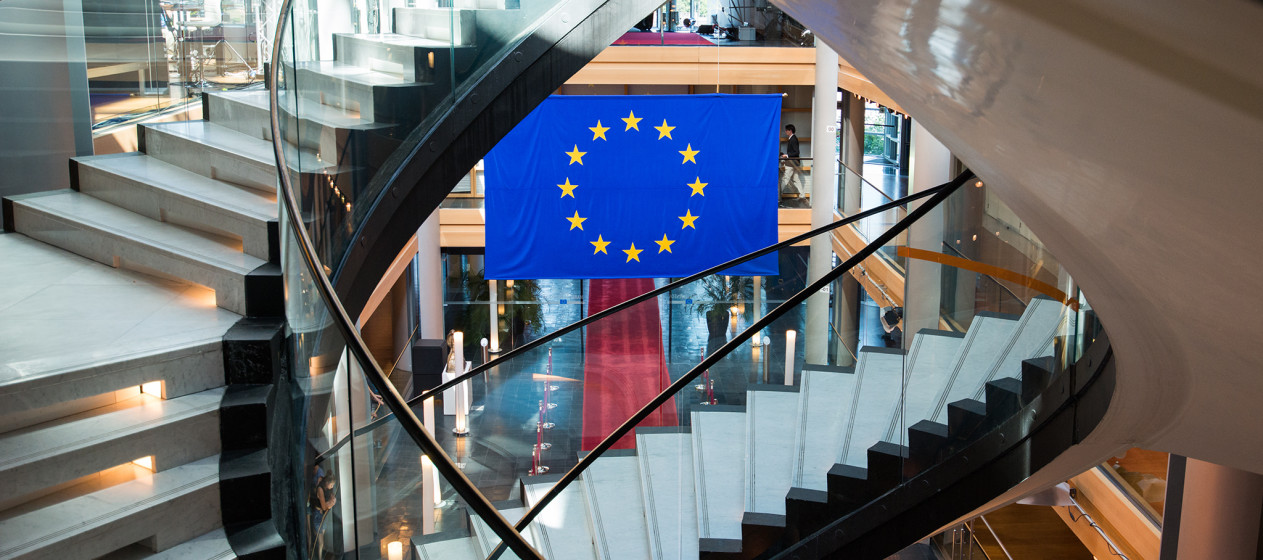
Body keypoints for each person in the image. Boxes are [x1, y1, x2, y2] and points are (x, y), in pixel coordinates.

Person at [780, 124, 803, 197]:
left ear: (790, 131)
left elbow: (796, 152)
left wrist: (787, 155)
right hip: (794, 163)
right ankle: (802, 196)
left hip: (791, 163)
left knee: (785, 179)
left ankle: (778, 196)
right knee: (796, 179)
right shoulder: (792, 138)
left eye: (786, 130)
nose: (785, 131)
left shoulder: (793, 139)